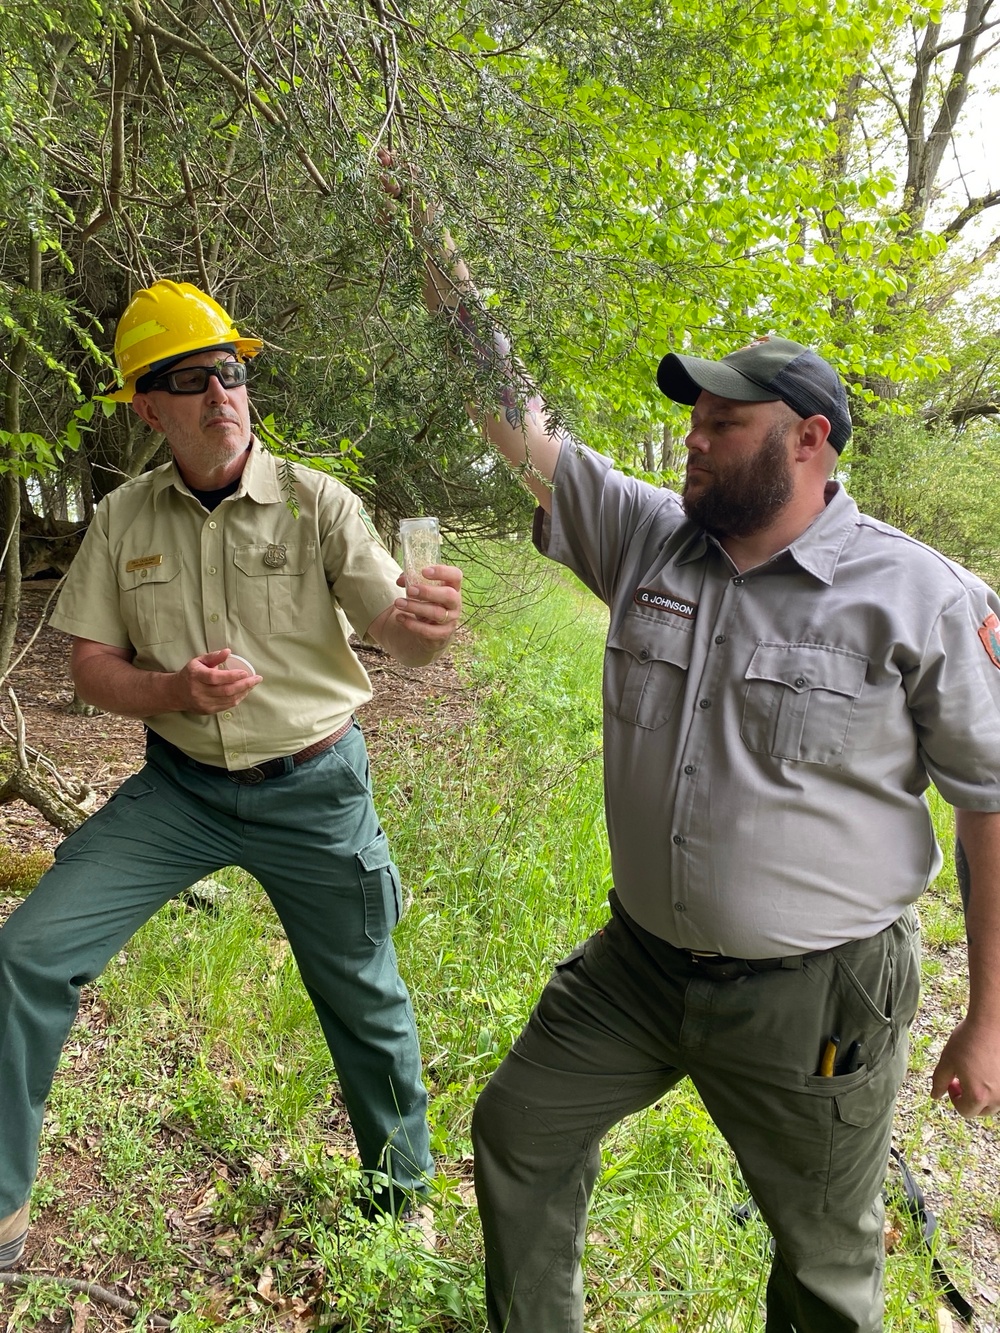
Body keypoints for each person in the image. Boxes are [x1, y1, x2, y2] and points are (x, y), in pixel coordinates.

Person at [418, 237, 1000, 1332]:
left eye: (720, 422)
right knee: (520, 1131)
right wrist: (438, 256)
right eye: (691, 418)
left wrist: (990, 1015)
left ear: (809, 439)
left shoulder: (918, 596)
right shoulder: (649, 539)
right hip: (635, 969)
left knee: (824, 1266)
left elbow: (990, 804)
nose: (691, 437)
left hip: (815, 1000)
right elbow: (520, 429)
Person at [0, 279, 463, 1268]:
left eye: (232, 371)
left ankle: (401, 1198)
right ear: (148, 406)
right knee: (27, 953)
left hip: (315, 787)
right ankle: (2, 1210)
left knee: (363, 996)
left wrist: (421, 633)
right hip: (181, 793)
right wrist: (173, 691)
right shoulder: (126, 519)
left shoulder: (315, 501)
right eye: (190, 377)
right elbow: (88, 667)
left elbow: (395, 633)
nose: (220, 392)